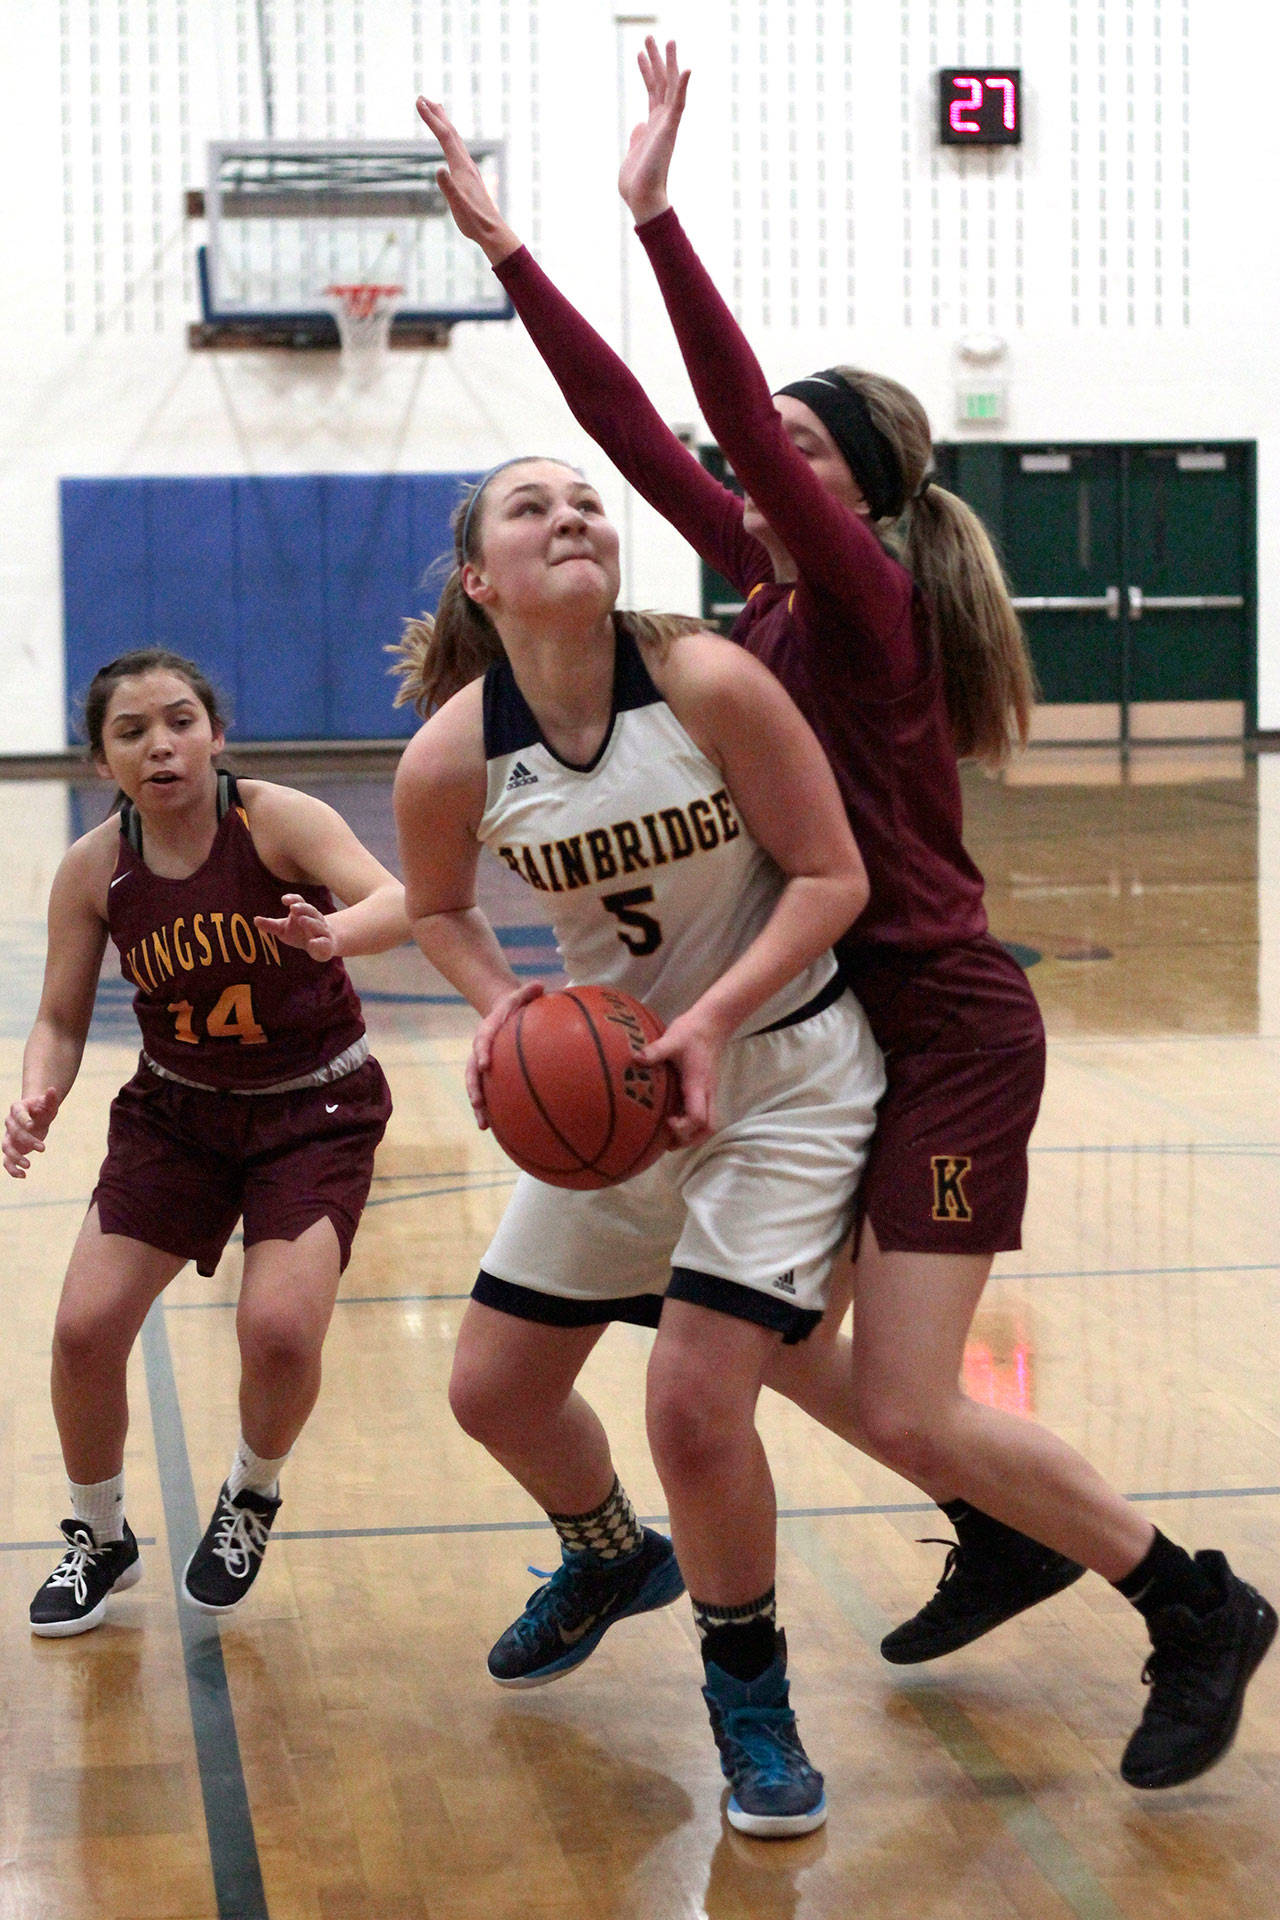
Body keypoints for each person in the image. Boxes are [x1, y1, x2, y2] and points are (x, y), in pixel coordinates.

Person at [413, 53, 1277, 1793]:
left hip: (939, 1026)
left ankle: (1196, 1606)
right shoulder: (748, 613)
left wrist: (655, 222)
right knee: (800, 1354)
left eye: (792, 459)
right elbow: (638, 435)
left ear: (853, 494)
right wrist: (510, 253)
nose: (749, 474)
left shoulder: (861, 601)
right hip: (834, 1018)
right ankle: (1002, 1531)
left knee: (899, 1397)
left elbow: (711, 415)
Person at [390, 455, 886, 1835]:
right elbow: (437, 909)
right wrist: (507, 1016)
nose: (573, 517)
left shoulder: (709, 684)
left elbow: (834, 876)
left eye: (589, 503)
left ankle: (751, 1699)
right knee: (493, 1389)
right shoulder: (453, 751)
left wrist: (716, 1023)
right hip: (618, 1087)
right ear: (483, 582)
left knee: (691, 1404)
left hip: (778, 1068)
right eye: (533, 507)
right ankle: (611, 1555)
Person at [6, 649, 402, 1636]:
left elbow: (393, 900)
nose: (160, 744)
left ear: (215, 733)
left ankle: (251, 1494)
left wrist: (336, 934)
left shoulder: (275, 822)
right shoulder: (96, 867)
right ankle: (99, 1536)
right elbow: (58, 1016)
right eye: (130, 732)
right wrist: (35, 1090)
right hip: (176, 1114)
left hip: (313, 1107)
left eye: (179, 720)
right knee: (83, 1331)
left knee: (275, 1331)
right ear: (103, 762)